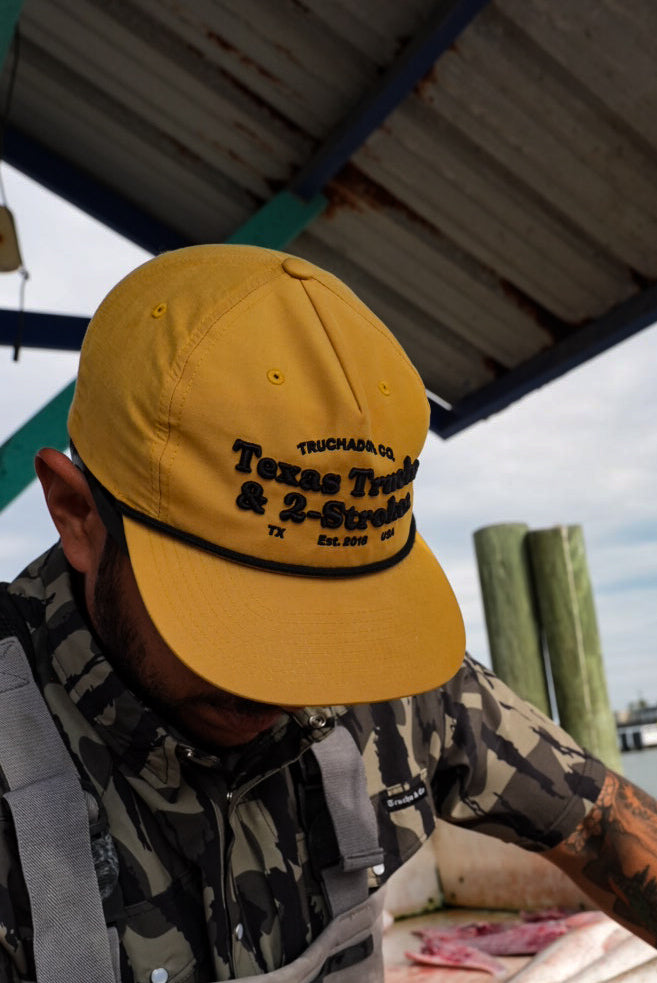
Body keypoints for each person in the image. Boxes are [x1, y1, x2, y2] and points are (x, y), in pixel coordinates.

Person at [0, 245, 655, 983]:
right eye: (235, 613)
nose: (288, 687)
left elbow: (599, 825)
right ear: (76, 513)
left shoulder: (399, 692)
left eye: (334, 622)